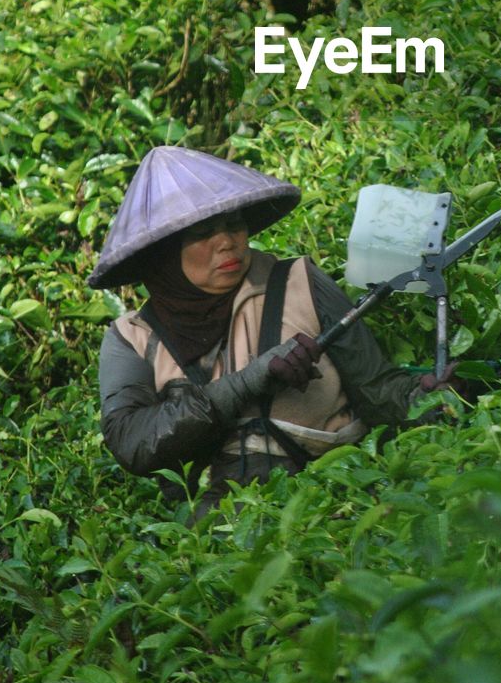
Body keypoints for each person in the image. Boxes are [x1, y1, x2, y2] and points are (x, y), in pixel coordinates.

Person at [88, 146, 456, 515]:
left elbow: (377, 391)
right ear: (164, 253)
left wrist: (425, 399)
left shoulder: (300, 284)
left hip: (334, 498)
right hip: (209, 527)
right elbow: (132, 442)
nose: (227, 242)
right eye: (203, 233)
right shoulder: (132, 337)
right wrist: (250, 379)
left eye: (234, 224)